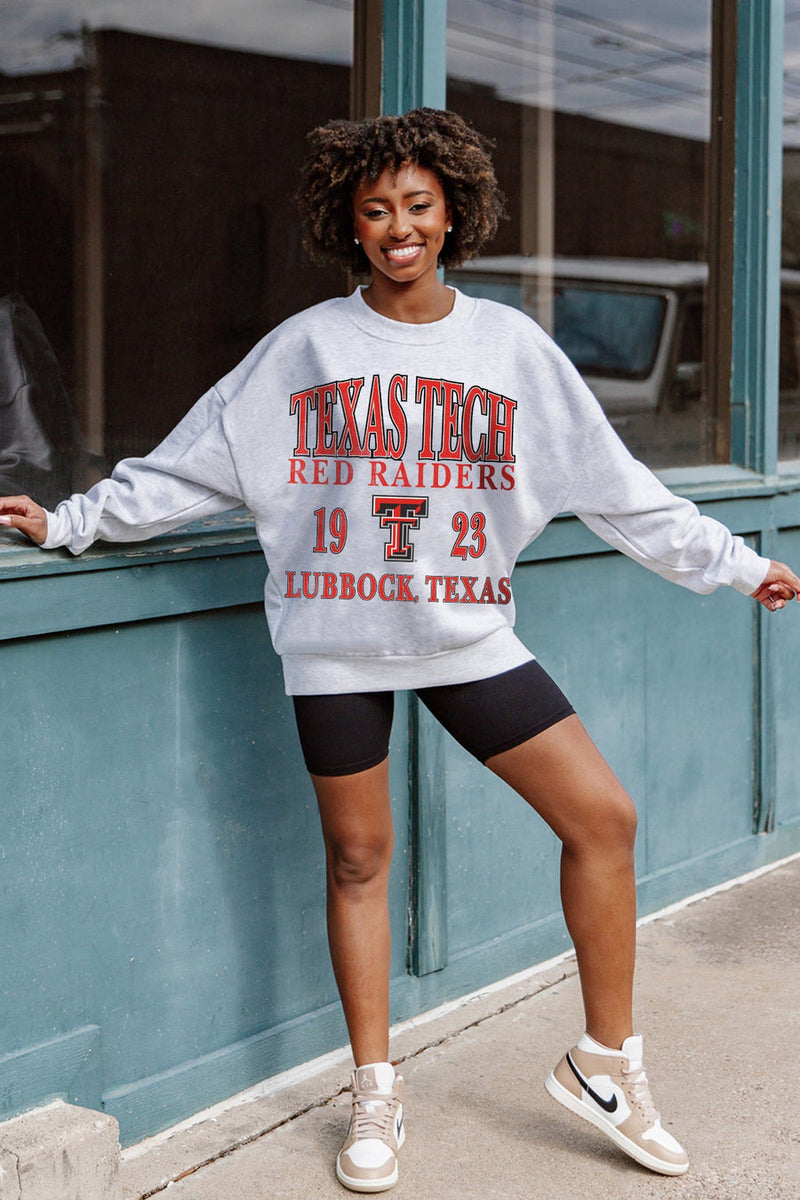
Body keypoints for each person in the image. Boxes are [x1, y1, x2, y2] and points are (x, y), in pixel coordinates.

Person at [1, 108, 798, 1192]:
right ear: (348, 222)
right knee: (358, 859)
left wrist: (738, 565)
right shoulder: (304, 348)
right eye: (374, 210)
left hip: (464, 635)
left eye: (417, 205)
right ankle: (373, 1089)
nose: (397, 227)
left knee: (602, 819)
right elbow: (189, 467)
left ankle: (604, 1064)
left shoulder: (509, 347)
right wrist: (75, 520)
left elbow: (615, 487)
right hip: (335, 641)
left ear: (453, 210)